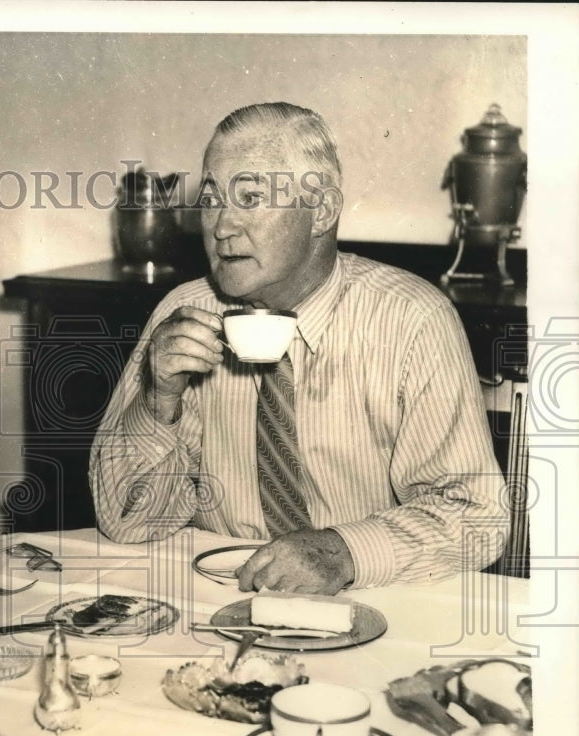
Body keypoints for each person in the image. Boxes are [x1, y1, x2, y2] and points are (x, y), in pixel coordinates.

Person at [90, 102, 507, 594]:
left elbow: (477, 516)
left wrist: (342, 551)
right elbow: (127, 523)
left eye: (250, 197)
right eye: (211, 200)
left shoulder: (412, 319)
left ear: (322, 211)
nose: (221, 226)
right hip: (219, 595)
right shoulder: (184, 314)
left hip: (373, 598)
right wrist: (159, 399)